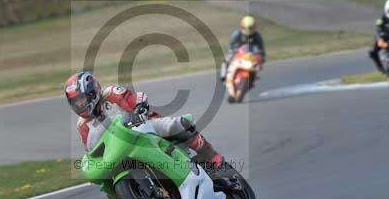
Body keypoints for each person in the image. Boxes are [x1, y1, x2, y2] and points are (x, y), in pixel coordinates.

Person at [65, 71, 225, 172]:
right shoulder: (82, 125)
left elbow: (135, 99)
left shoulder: (111, 94)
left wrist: (139, 108)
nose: (80, 105)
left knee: (175, 125)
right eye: (75, 102)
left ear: (93, 92)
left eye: (82, 99)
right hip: (120, 150)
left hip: (143, 127)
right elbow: (91, 150)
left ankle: (211, 156)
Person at [220, 15, 265, 82]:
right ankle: (223, 75)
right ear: (243, 27)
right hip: (238, 50)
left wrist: (261, 57)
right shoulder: (237, 34)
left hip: (251, 52)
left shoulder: (257, 36)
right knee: (226, 60)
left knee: (260, 60)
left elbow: (261, 48)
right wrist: (234, 50)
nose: (250, 30)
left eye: (252, 27)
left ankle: (254, 75)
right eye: (249, 28)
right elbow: (231, 45)